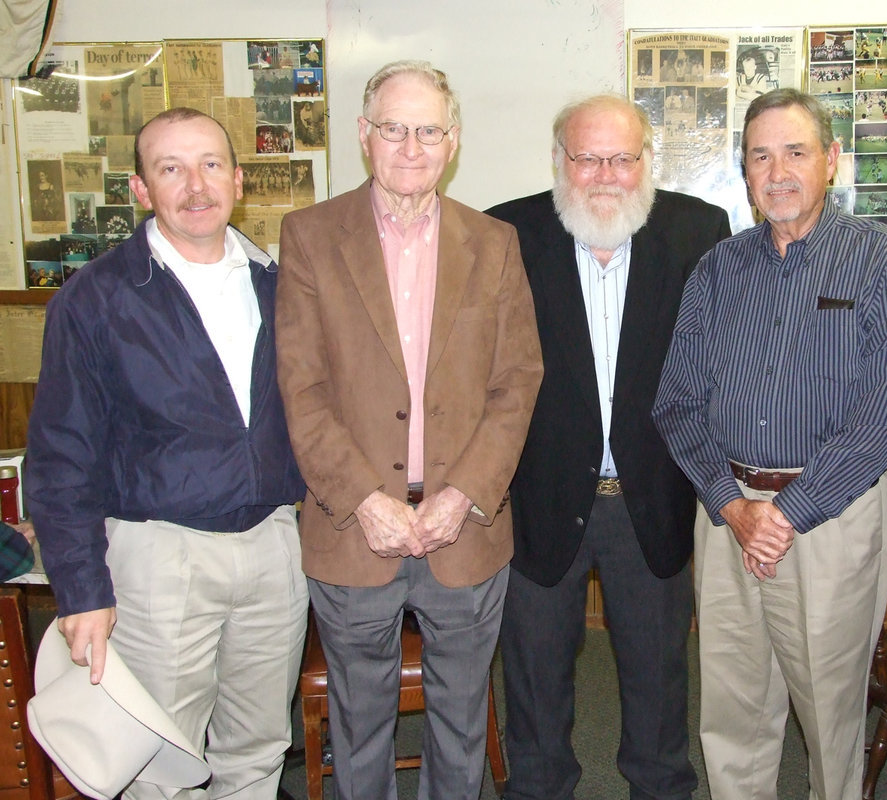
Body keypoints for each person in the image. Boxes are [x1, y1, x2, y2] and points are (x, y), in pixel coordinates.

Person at [275, 60, 543, 800]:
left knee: (461, 722)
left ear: (453, 141)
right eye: (395, 127)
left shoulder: (494, 244)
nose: (412, 145)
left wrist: (462, 495)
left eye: (429, 129)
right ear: (366, 136)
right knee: (360, 729)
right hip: (354, 528)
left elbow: (516, 382)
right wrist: (366, 500)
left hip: (466, 528)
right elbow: (302, 388)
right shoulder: (307, 237)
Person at [24, 107, 308, 799]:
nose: (196, 185)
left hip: (273, 545)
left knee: (258, 748)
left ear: (239, 179)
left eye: (211, 164)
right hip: (159, 558)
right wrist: (82, 591)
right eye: (171, 168)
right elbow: (60, 458)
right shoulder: (95, 299)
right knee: (161, 758)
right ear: (141, 189)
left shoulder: (281, 283)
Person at [652, 89, 887, 800]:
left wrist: (789, 512)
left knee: (831, 712)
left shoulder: (879, 262)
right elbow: (677, 403)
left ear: (830, 161)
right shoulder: (716, 271)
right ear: (744, 172)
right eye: (760, 157)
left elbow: (885, 411)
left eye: (795, 152)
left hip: (831, 520)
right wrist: (732, 506)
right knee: (733, 708)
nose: (778, 173)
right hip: (728, 517)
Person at [486, 94, 729, 800]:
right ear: (560, 161)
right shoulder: (509, 232)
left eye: (622, 158)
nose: (605, 175)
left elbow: (718, 366)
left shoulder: (698, 231)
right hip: (539, 500)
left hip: (652, 499)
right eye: (588, 157)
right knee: (533, 686)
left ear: (645, 162)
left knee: (659, 689)